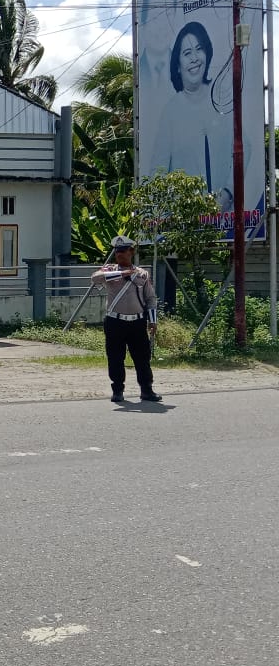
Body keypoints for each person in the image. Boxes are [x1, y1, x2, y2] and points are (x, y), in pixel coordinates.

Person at [150, 21, 234, 210]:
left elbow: (245, 149)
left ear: (207, 53)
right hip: (187, 225)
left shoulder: (221, 98)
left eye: (199, 49)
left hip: (228, 222)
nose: (195, 58)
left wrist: (228, 192)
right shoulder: (170, 111)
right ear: (178, 66)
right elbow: (157, 173)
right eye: (187, 53)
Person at [91, 235, 162, 403]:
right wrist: (122, 273)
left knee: (142, 357)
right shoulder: (109, 270)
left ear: (131, 252)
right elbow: (95, 278)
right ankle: (117, 391)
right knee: (115, 356)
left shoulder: (142, 274)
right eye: (117, 252)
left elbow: (150, 298)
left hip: (137, 322)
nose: (119, 255)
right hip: (115, 321)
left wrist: (153, 320)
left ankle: (146, 389)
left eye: (123, 251)